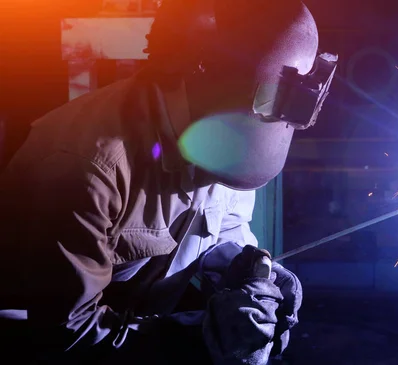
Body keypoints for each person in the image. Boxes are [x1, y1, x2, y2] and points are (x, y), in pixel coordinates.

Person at [0, 0, 337, 363]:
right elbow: (66, 332)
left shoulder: (235, 132)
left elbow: (222, 223)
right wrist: (203, 339)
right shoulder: (86, 167)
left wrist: (246, 272)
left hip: (137, 331)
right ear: (208, 72)